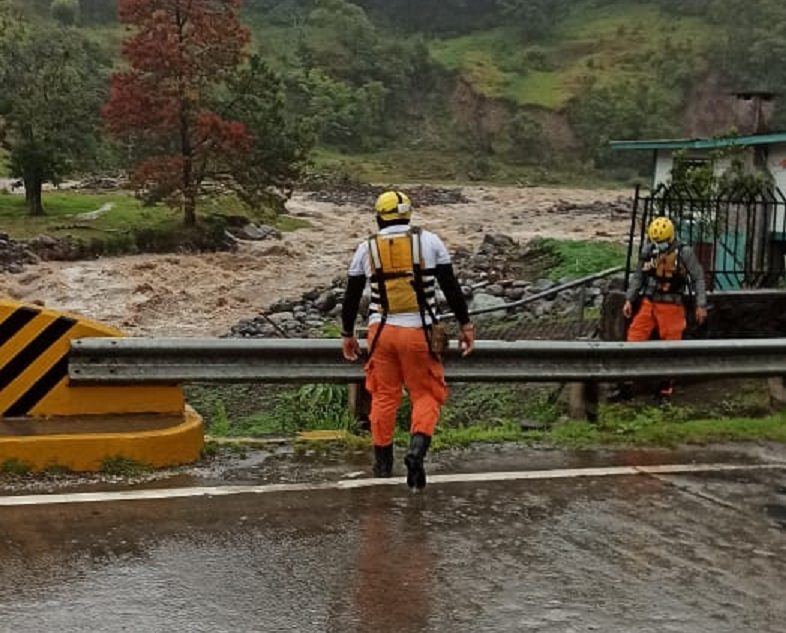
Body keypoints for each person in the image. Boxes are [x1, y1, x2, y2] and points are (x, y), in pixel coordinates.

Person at [341, 190, 475, 489]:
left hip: (381, 333)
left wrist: (347, 334)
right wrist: (466, 325)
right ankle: (416, 451)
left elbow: (350, 297)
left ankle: (382, 464)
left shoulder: (366, 248)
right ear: (408, 215)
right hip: (420, 333)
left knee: (384, 396)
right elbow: (451, 288)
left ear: (379, 216)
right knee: (426, 394)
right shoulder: (430, 242)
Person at [623, 216, 708, 403]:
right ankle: (627, 384)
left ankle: (665, 389)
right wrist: (629, 299)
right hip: (650, 302)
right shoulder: (648, 250)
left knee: (671, 347)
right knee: (633, 340)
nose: (657, 245)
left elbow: (698, 278)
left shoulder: (684, 252)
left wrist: (701, 304)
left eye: (660, 242)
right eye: (655, 241)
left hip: (672, 305)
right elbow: (639, 276)